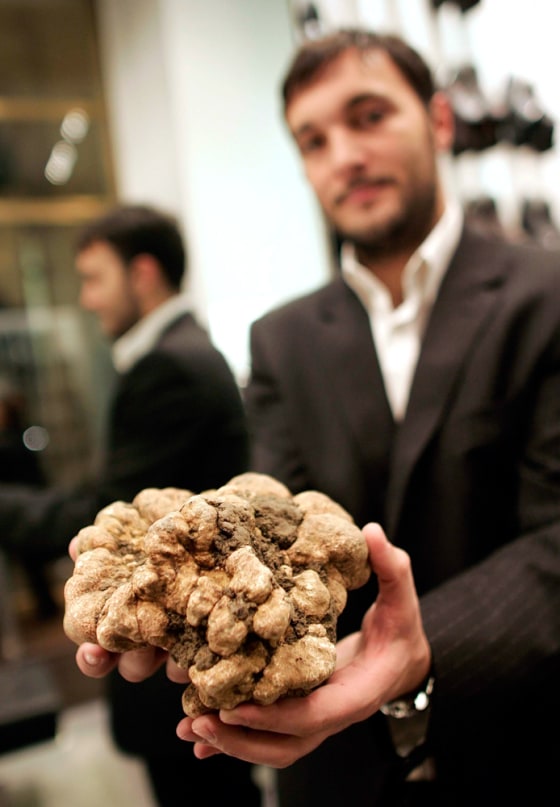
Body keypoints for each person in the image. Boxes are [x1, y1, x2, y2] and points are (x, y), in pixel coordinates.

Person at [73, 31, 560, 807]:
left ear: (438, 121)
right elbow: (276, 514)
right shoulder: (281, 336)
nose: (345, 155)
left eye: (369, 116)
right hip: (335, 767)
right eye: (315, 139)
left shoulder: (546, 295)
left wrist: (421, 647)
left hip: (515, 740)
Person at [0, 204, 260, 807]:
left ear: (142, 274)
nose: (87, 299)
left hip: (181, 657)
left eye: (95, 278)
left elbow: (107, 516)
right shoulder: (176, 353)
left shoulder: (169, 366)